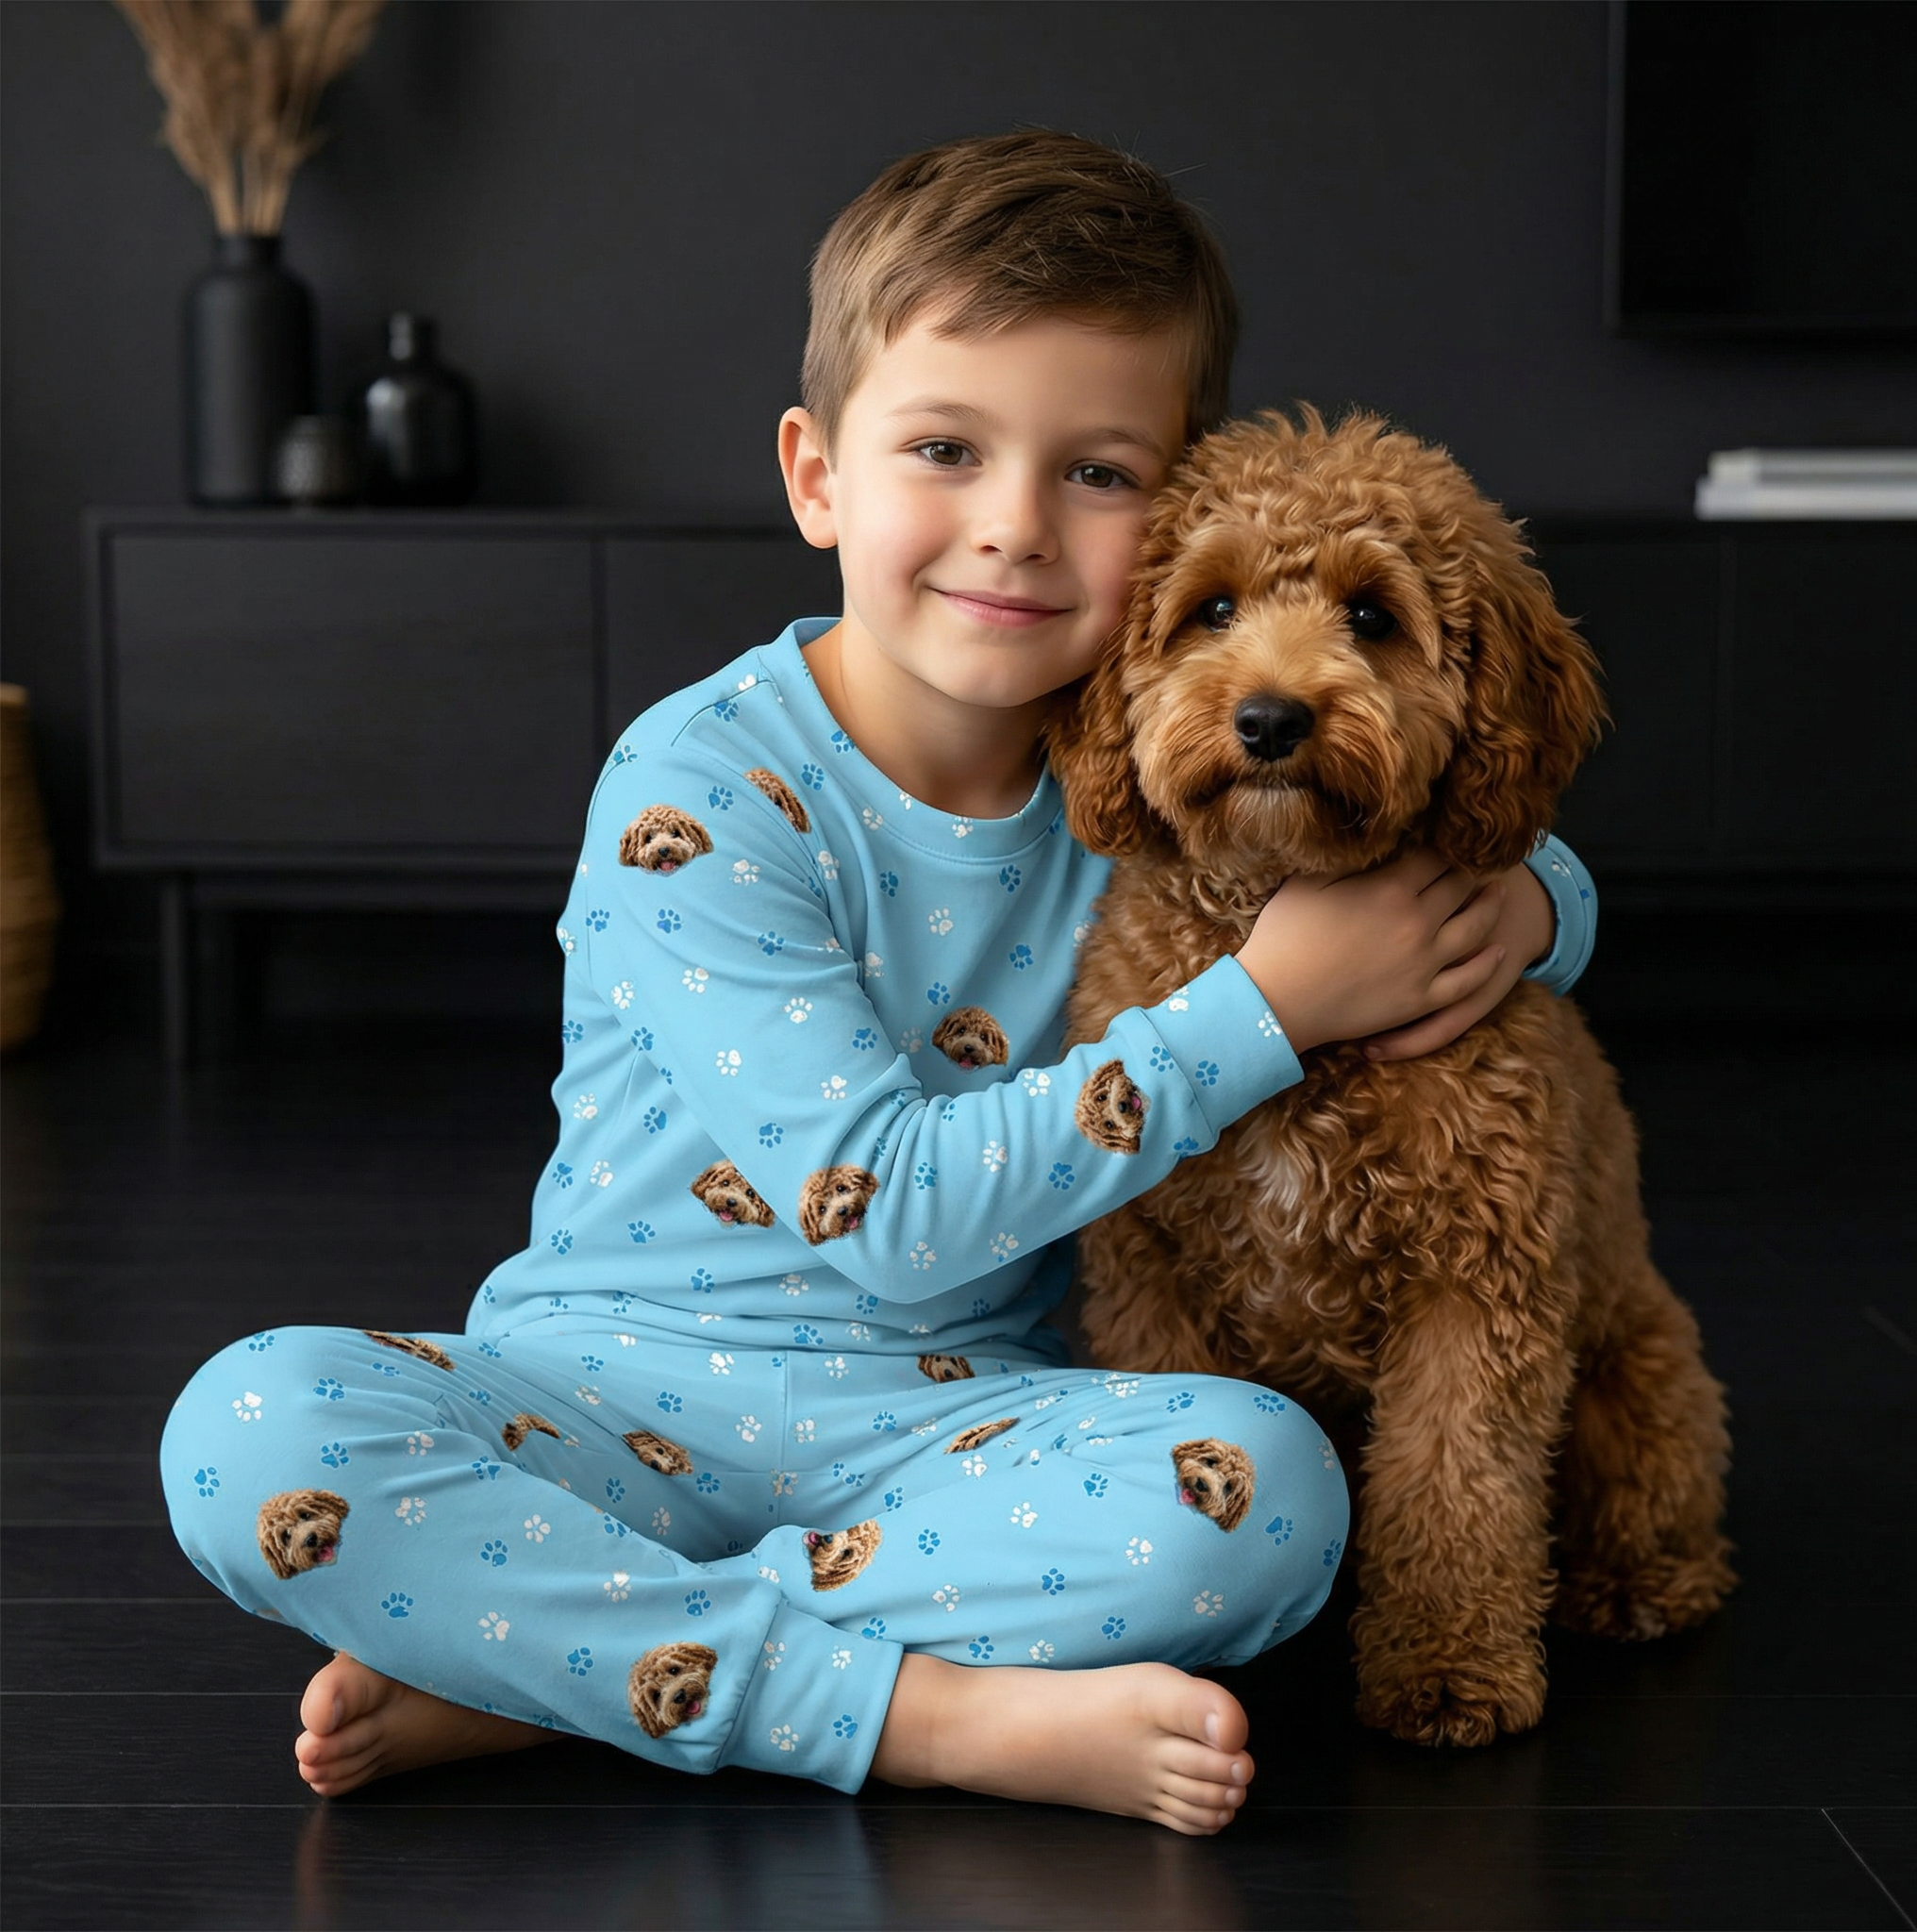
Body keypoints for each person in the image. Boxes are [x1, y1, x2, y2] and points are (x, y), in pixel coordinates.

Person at [160, 131, 1596, 1837]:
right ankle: (927, 1718)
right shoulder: (702, 788)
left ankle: (555, 1676)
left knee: (1267, 1493)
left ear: (1189, 504)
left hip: (962, 1439)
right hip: (602, 1401)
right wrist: (1262, 1012)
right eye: (944, 449)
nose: (1013, 529)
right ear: (818, 473)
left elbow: (1449, 836)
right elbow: (886, 1206)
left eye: (1101, 473)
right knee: (250, 1430)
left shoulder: (1161, 781)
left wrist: (1543, 907)